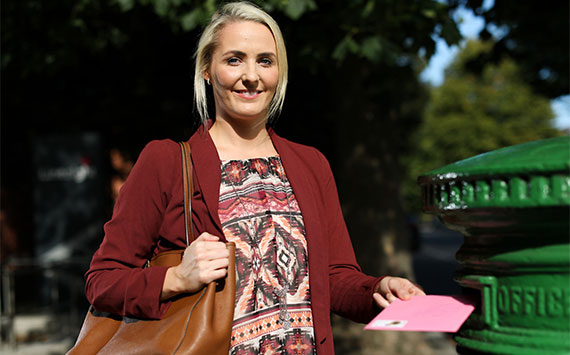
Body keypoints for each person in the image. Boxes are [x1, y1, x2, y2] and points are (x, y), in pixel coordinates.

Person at [84, 2, 425, 354]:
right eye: (234, 59)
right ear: (206, 69)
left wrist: (379, 289)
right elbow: (102, 281)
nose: (251, 75)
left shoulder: (311, 164)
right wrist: (175, 278)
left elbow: (333, 279)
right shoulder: (166, 162)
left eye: (265, 60)